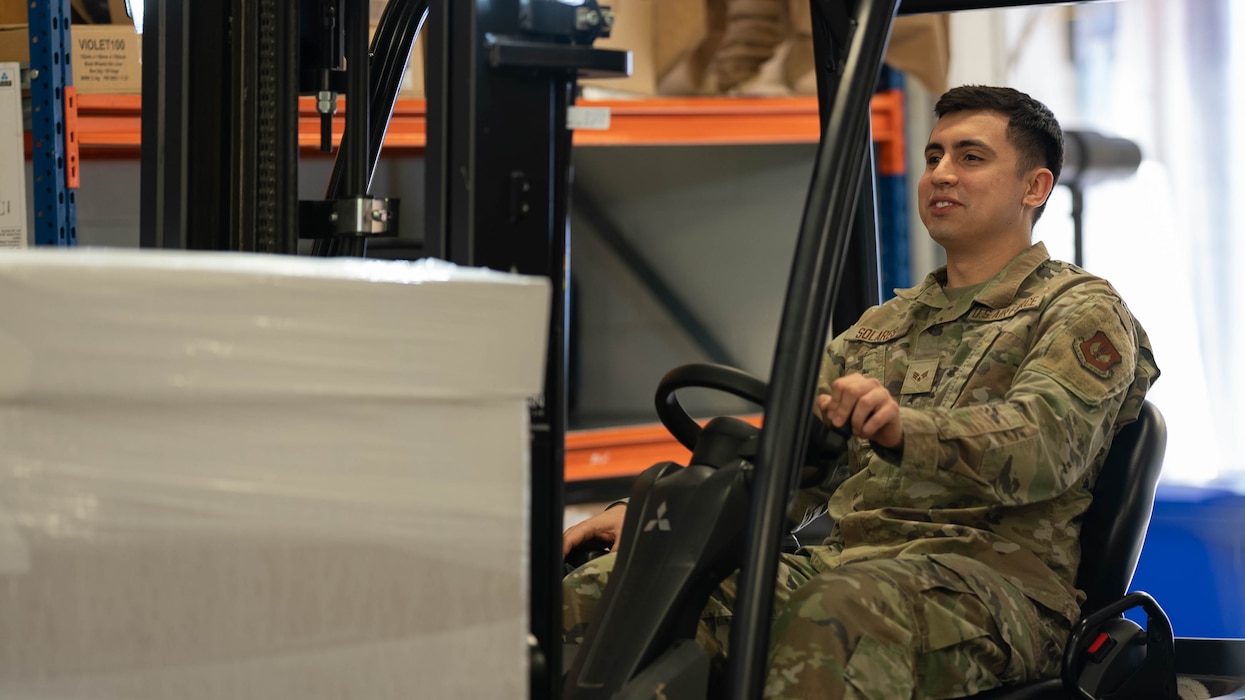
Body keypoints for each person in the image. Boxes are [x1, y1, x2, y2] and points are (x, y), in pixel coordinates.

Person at [561, 85, 1160, 698]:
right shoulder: (882, 329)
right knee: (603, 593)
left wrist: (908, 429)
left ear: (1034, 187)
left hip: (994, 587)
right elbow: (791, 472)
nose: (942, 174)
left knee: (837, 614)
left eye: (970, 157)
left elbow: (1046, 444)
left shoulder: (1077, 310)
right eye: (933, 157)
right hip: (849, 566)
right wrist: (655, 521)